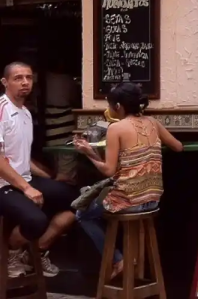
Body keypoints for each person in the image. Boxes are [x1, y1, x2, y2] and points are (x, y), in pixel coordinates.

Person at [74, 82, 183, 280]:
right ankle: (131, 266)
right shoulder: (153, 123)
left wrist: (88, 153)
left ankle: (118, 259)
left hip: (129, 202)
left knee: (83, 213)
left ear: (118, 107)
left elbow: (108, 170)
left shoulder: (116, 128)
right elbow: (178, 147)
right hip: (153, 201)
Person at [0, 62, 77, 278]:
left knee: (78, 200)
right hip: (3, 185)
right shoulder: (1, 110)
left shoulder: (24, 113)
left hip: (24, 180)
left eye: (28, 77)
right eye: (18, 78)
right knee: (35, 220)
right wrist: (27, 189)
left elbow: (22, 158)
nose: (25, 82)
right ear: (5, 82)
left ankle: (36, 252)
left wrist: (51, 178)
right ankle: (12, 253)